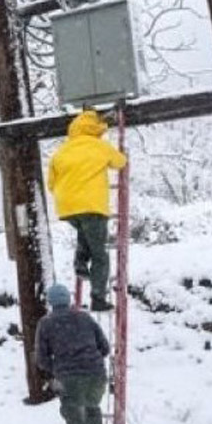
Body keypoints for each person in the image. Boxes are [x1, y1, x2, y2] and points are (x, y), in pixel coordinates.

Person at [36, 283, 115, 424]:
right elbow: (105, 347)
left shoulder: (46, 324)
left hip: (70, 380)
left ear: (50, 302)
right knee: (92, 406)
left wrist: (59, 369)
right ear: (68, 300)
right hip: (97, 376)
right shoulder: (85, 317)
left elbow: (41, 360)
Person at [47, 110, 127, 311]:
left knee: (85, 232)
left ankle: (80, 263)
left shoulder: (62, 151)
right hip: (92, 205)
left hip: (67, 207)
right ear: (97, 129)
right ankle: (98, 298)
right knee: (100, 254)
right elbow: (120, 162)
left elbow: (50, 183)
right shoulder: (99, 146)